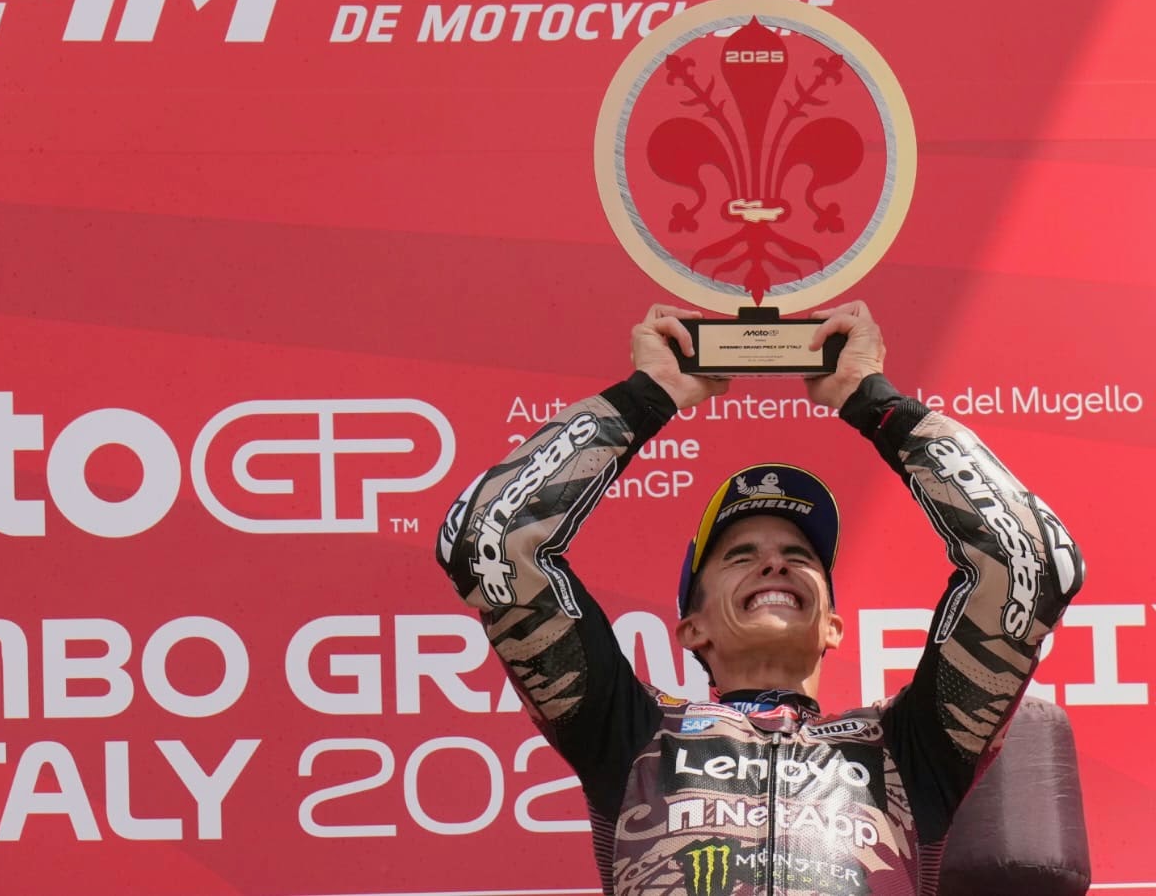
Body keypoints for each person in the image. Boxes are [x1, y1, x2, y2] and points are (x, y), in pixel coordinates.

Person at [436, 302, 1083, 896]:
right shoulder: (632, 736)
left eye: (800, 556)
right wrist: (645, 396)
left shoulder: (907, 750)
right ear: (691, 628)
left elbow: (1028, 564)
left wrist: (874, 402)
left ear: (832, 625)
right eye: (740, 556)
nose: (775, 562)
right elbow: (489, 543)